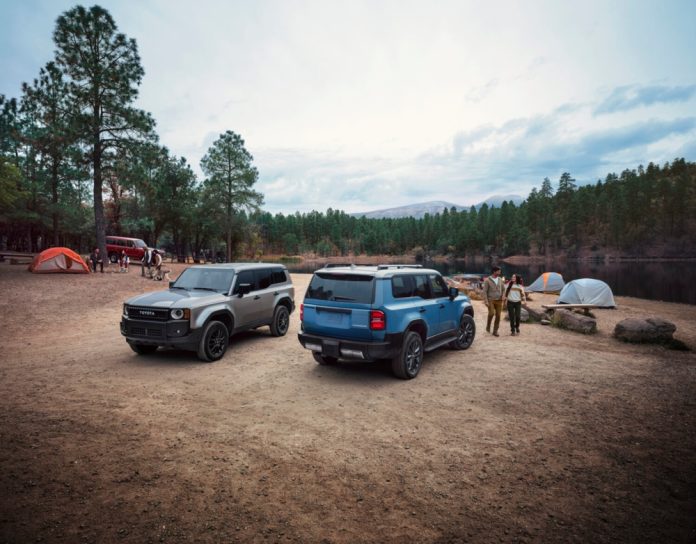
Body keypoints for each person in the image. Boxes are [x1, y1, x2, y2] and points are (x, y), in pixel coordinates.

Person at [482, 266, 504, 336]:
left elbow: (503, 289)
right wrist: (486, 301)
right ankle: (488, 325)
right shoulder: (487, 280)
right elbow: (484, 291)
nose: (500, 272)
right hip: (490, 300)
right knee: (491, 313)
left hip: (499, 300)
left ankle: (495, 331)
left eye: (500, 271)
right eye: (498, 271)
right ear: (494, 272)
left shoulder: (500, 279)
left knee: (498, 315)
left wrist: (503, 295)